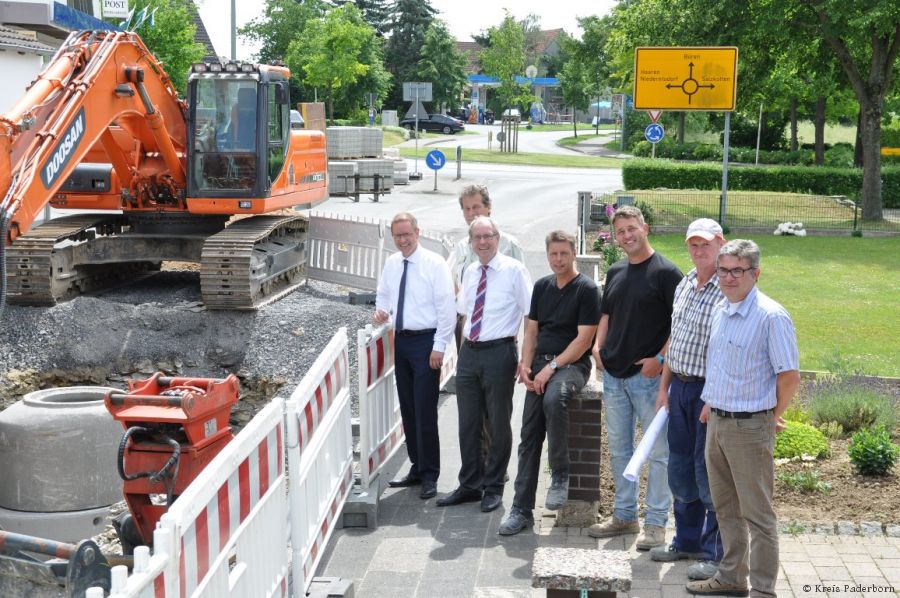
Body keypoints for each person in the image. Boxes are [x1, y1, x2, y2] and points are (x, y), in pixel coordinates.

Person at [686, 239, 800, 598]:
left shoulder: (771, 316)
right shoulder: (721, 309)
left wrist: (770, 416)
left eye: (738, 270)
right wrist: (711, 401)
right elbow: (720, 364)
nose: (729, 277)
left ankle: (763, 589)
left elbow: (789, 376)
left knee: (758, 515)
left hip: (750, 426)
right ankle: (732, 576)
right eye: (723, 270)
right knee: (725, 508)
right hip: (717, 422)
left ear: (756, 273)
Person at [589, 205, 682, 551]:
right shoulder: (616, 270)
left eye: (632, 228)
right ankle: (625, 516)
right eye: (621, 231)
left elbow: (680, 325)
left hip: (648, 379)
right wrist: (597, 347)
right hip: (613, 377)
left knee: (659, 453)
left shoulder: (667, 273)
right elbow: (606, 314)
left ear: (645, 228)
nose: (627, 236)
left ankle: (655, 523)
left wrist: (660, 359)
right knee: (619, 450)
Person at [498, 230, 600, 536]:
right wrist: (526, 365)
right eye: (553, 254)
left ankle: (560, 474)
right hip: (541, 363)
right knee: (529, 434)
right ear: (547, 255)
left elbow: (583, 341)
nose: (558, 259)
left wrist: (551, 368)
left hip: (572, 364)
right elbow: (532, 332)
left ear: (573, 254)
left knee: (555, 400)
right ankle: (521, 509)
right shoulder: (542, 287)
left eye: (564, 253)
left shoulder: (587, 290)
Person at [437, 217, 532, 512]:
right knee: (468, 422)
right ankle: (469, 484)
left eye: (487, 236)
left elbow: (531, 316)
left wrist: (526, 359)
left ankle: (493, 486)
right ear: (470, 242)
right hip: (470, 352)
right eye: (477, 237)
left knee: (498, 422)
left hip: (499, 352)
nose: (482, 242)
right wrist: (462, 352)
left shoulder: (514, 271)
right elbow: (464, 312)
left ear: (497, 238)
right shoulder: (470, 271)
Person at [651, 219, 726, 581]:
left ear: (720, 243)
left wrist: (713, 397)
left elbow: (727, 351)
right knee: (680, 469)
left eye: (705, 244)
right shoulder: (685, 283)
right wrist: (663, 388)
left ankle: (715, 555)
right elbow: (675, 340)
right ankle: (687, 541)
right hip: (678, 388)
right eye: (693, 245)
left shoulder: (726, 288)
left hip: (706, 392)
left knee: (707, 472)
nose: (699, 251)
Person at [374, 212, 456, 500]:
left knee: (424, 409)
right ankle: (417, 467)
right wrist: (381, 312)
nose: (403, 240)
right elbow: (383, 294)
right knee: (408, 408)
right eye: (398, 235)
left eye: (407, 234)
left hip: (426, 342)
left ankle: (430, 474)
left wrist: (439, 346)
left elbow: (446, 307)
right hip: (403, 341)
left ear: (417, 233)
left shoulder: (434, 264)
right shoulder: (392, 263)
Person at [448, 185, 525, 471]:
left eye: (476, 207)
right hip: (469, 333)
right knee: (471, 410)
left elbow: (520, 298)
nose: (471, 213)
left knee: (495, 412)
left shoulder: (509, 246)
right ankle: (475, 471)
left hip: (498, 338)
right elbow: (456, 287)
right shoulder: (461, 248)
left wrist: (519, 349)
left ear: (489, 208)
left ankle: (494, 471)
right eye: (466, 209)